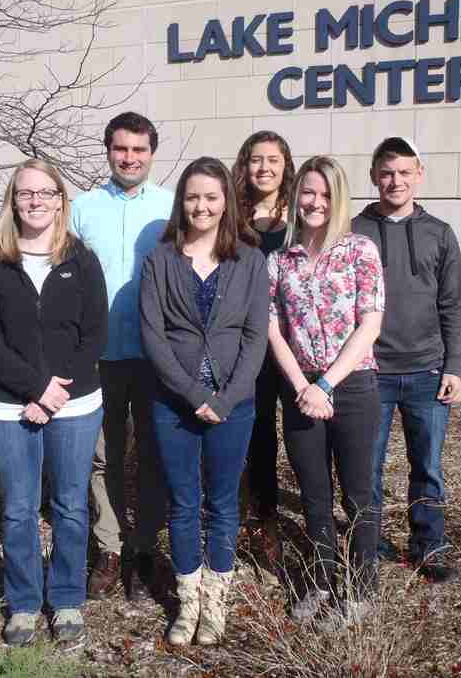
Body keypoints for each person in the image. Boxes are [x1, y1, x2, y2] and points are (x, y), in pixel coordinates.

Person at [0, 159, 108, 646]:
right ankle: (25, 603)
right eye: (25, 193)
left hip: (74, 404)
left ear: (59, 200)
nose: (35, 201)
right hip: (11, 408)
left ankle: (67, 598)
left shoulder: (81, 258)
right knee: (19, 509)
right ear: (13, 201)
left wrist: (55, 394)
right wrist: (34, 391)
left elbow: (94, 335)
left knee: (71, 506)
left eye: (45, 192)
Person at [140, 157, 269, 645]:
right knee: (183, 502)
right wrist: (195, 394)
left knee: (222, 503)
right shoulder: (160, 260)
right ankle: (186, 604)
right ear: (182, 202)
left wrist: (228, 396)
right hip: (173, 403)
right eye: (193, 196)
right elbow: (153, 337)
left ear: (226, 202)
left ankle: (215, 604)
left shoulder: (251, 260)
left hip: (234, 404)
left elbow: (256, 336)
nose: (202, 206)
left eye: (212, 197)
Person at [267, 156, 385, 629]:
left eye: (325, 194)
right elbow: (273, 327)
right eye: (307, 193)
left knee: (358, 494)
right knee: (315, 493)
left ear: (338, 199)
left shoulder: (360, 250)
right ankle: (321, 580)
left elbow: (370, 322)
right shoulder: (280, 260)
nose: (315, 203)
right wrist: (302, 385)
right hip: (299, 389)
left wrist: (326, 383)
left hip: (352, 386)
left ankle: (360, 588)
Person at [352, 137, 461, 584]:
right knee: (367, 467)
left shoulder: (440, 233)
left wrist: (453, 365)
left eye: (403, 172)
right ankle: (370, 542)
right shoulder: (354, 229)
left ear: (419, 174)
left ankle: (429, 546)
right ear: (374, 176)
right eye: (386, 172)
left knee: (428, 466)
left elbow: (453, 304)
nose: (394, 181)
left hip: (427, 372)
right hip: (371, 372)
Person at [69, 111, 172, 601]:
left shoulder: (171, 208)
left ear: (152, 153)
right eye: (121, 149)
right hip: (98, 357)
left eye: (139, 150)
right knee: (102, 457)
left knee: (153, 454)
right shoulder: (82, 209)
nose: (129, 158)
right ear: (108, 150)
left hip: (157, 357)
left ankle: (145, 547)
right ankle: (109, 547)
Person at [230, 130, 296, 568]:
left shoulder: (302, 214)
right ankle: (258, 520)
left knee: (300, 431)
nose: (264, 168)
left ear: (286, 165)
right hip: (246, 341)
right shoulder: (234, 217)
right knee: (255, 432)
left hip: (294, 341)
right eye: (256, 160)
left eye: (273, 160)